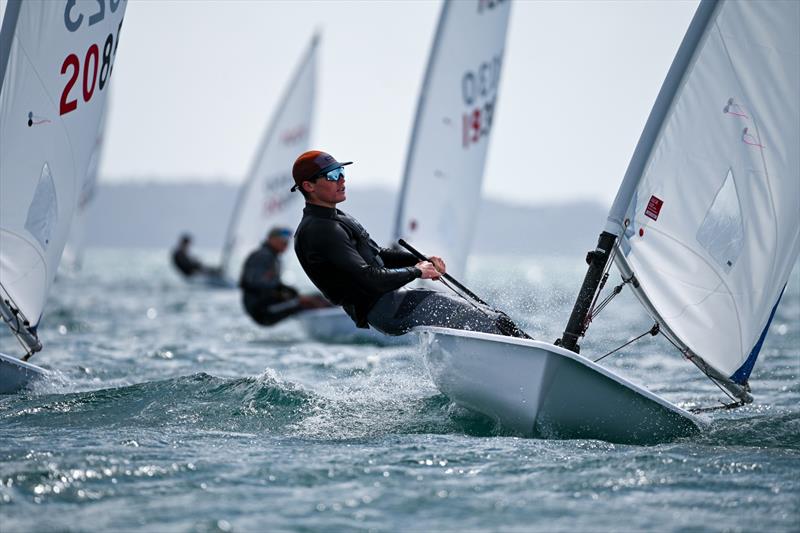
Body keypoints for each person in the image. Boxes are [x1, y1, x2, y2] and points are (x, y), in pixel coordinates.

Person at [290, 150, 526, 337]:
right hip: (386, 308)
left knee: (492, 316)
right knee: (483, 318)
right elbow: (367, 277)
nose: (341, 179)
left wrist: (419, 259)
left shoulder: (337, 217)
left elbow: (378, 254)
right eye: (332, 176)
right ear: (309, 186)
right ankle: (528, 358)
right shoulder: (320, 230)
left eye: (341, 171)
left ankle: (526, 349)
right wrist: (416, 271)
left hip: (394, 301)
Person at [239, 226, 330, 326]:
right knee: (307, 302)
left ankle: (337, 314)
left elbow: (272, 285)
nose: (286, 243)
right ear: (271, 239)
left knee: (317, 297)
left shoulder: (272, 256)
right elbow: (251, 283)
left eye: (287, 240)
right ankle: (332, 323)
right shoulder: (262, 256)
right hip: (262, 310)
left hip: (269, 303)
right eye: (282, 240)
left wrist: (291, 294)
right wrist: (291, 296)